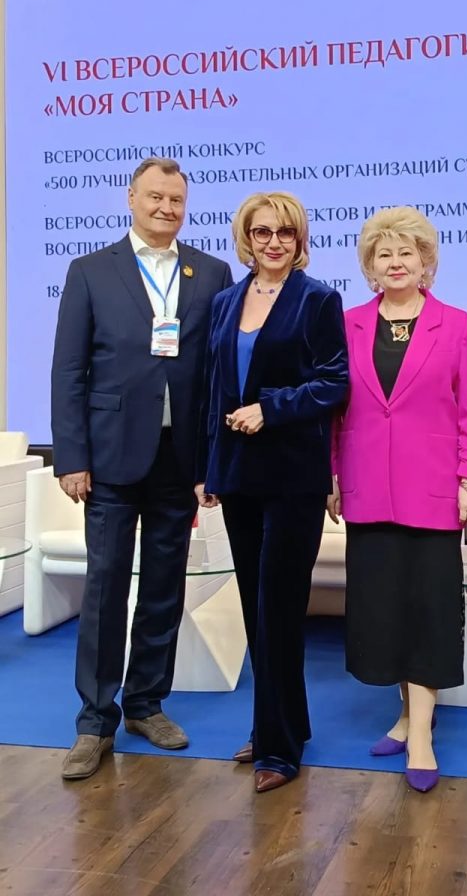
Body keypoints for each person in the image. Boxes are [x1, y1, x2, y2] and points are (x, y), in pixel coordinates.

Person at [51, 157, 234, 780]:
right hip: (108, 460)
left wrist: (210, 462)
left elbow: (215, 376)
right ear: (131, 198)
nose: (165, 208)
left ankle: (146, 704)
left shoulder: (211, 272)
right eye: (155, 196)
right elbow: (68, 371)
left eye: (176, 200)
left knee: (163, 587)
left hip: (178, 461)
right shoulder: (89, 271)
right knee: (105, 588)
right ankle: (94, 722)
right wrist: (72, 457)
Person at [328, 206, 467, 793]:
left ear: (426, 263)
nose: (396, 263)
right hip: (368, 489)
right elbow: (335, 411)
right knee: (387, 613)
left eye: (407, 253)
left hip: (434, 492)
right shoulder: (346, 324)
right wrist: (332, 475)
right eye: (384, 254)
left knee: (427, 614)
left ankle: (420, 734)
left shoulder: (457, 325)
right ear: (370, 266)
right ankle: (405, 714)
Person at [196, 190, 348, 793]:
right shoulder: (224, 301)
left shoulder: (318, 299)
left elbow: (335, 383)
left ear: (299, 238)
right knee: (256, 610)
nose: (274, 242)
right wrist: (209, 468)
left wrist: (271, 408)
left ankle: (279, 749)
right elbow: (214, 388)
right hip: (238, 475)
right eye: (263, 232)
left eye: (285, 232)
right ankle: (280, 725)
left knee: (279, 611)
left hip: (292, 477)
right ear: (247, 238)